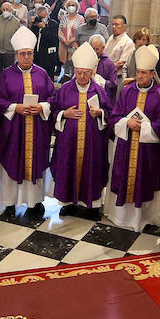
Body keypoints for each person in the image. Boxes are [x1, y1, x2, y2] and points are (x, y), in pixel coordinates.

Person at [104, 46, 160, 230]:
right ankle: (121, 217)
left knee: (145, 180)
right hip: (126, 146)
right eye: (138, 72)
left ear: (152, 74)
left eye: (144, 73)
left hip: (147, 151)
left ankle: (144, 218)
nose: (140, 76)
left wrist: (144, 127)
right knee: (123, 177)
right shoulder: (127, 91)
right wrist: (127, 122)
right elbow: (115, 116)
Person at [0, 26, 55, 217]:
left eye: (29, 53)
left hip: (37, 129)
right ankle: (10, 203)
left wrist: (42, 107)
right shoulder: (6, 74)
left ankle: (34, 202)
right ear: (16, 54)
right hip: (13, 131)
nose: (26, 57)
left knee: (34, 162)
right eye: (22, 54)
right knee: (13, 161)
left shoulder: (42, 74)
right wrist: (16, 108)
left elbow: (53, 97)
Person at [49, 43, 113, 217]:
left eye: (86, 73)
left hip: (93, 144)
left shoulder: (99, 91)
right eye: (79, 72)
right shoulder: (64, 90)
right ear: (74, 71)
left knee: (91, 170)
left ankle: (91, 206)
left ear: (92, 73)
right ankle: (68, 203)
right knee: (68, 167)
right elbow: (54, 111)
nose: (82, 76)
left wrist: (100, 113)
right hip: (68, 143)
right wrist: (64, 113)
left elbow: (110, 114)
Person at [0, 0, 21, 82]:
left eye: (7, 9)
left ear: (11, 10)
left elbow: (18, 36)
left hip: (9, 51)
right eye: (4, 9)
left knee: (9, 72)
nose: (5, 11)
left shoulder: (16, 22)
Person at [57, 0, 86, 78]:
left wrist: (71, 40)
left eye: (73, 5)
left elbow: (80, 31)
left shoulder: (80, 19)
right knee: (65, 64)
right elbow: (60, 30)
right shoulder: (64, 18)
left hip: (74, 44)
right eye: (69, 5)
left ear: (77, 7)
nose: (71, 7)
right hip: (64, 44)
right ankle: (66, 80)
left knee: (73, 63)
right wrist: (64, 40)